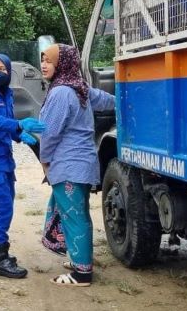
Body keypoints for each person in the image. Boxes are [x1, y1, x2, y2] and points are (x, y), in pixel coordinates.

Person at [38, 44, 115, 286]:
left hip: (68, 165)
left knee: (75, 218)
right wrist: (129, 99)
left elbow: (49, 134)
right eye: (42, 60)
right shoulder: (78, 88)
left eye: (49, 61)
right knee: (76, 213)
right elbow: (106, 100)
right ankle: (79, 259)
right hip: (83, 165)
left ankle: (82, 273)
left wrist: (45, 162)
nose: (43, 65)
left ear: (62, 64)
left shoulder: (61, 92)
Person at [0, 53, 46, 279]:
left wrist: (19, 134)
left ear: (8, 71)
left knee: (6, 200)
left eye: (2, 68)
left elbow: (5, 124)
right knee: (3, 205)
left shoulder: (8, 95)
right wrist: (19, 124)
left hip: (4, 155)